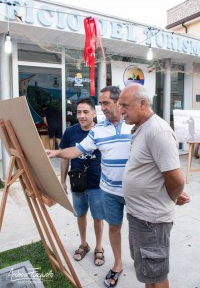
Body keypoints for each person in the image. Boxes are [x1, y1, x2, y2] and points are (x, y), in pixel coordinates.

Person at [46, 86, 133, 288]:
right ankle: (115, 261)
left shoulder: (133, 124)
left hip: (131, 190)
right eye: (100, 103)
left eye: (104, 103)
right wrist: (55, 154)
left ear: (118, 102)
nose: (102, 107)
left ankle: (137, 258)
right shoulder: (97, 131)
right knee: (112, 226)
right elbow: (76, 151)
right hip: (107, 190)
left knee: (136, 228)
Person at [118, 83, 189, 288]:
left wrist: (173, 197)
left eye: (125, 105)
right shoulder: (141, 127)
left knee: (156, 275)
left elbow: (176, 179)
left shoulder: (158, 131)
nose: (121, 110)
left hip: (152, 220)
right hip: (139, 216)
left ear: (142, 104)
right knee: (148, 273)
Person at [60, 97, 104, 266]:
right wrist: (62, 181)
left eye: (86, 112)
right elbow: (64, 158)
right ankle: (84, 244)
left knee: (98, 217)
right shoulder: (70, 132)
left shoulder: (102, 131)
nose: (82, 116)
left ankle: (99, 247)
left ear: (94, 113)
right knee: (80, 215)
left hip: (97, 183)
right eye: (79, 112)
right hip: (77, 182)